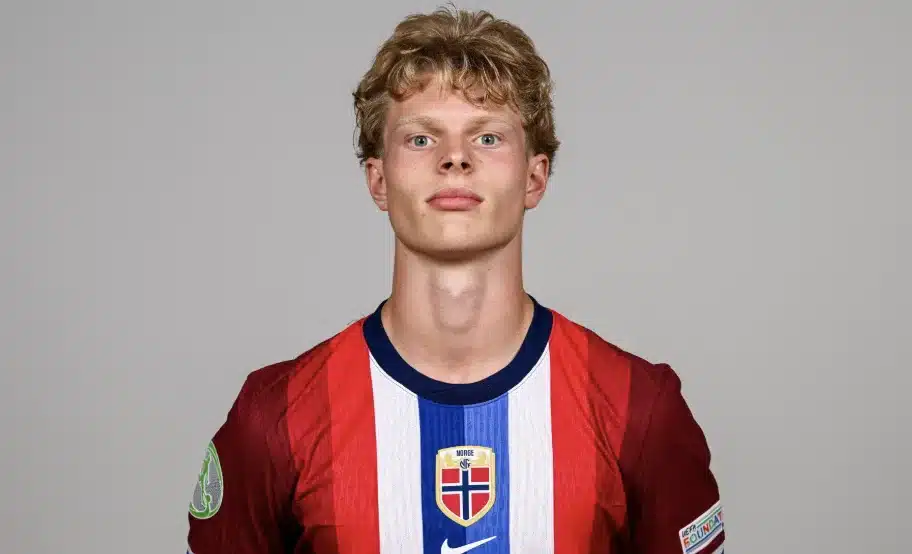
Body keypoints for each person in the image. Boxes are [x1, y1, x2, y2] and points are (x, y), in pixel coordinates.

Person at [185, 6, 725, 554]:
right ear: (378, 179)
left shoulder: (638, 408)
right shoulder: (276, 416)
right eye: (421, 139)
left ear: (535, 177)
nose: (455, 158)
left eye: (487, 137)